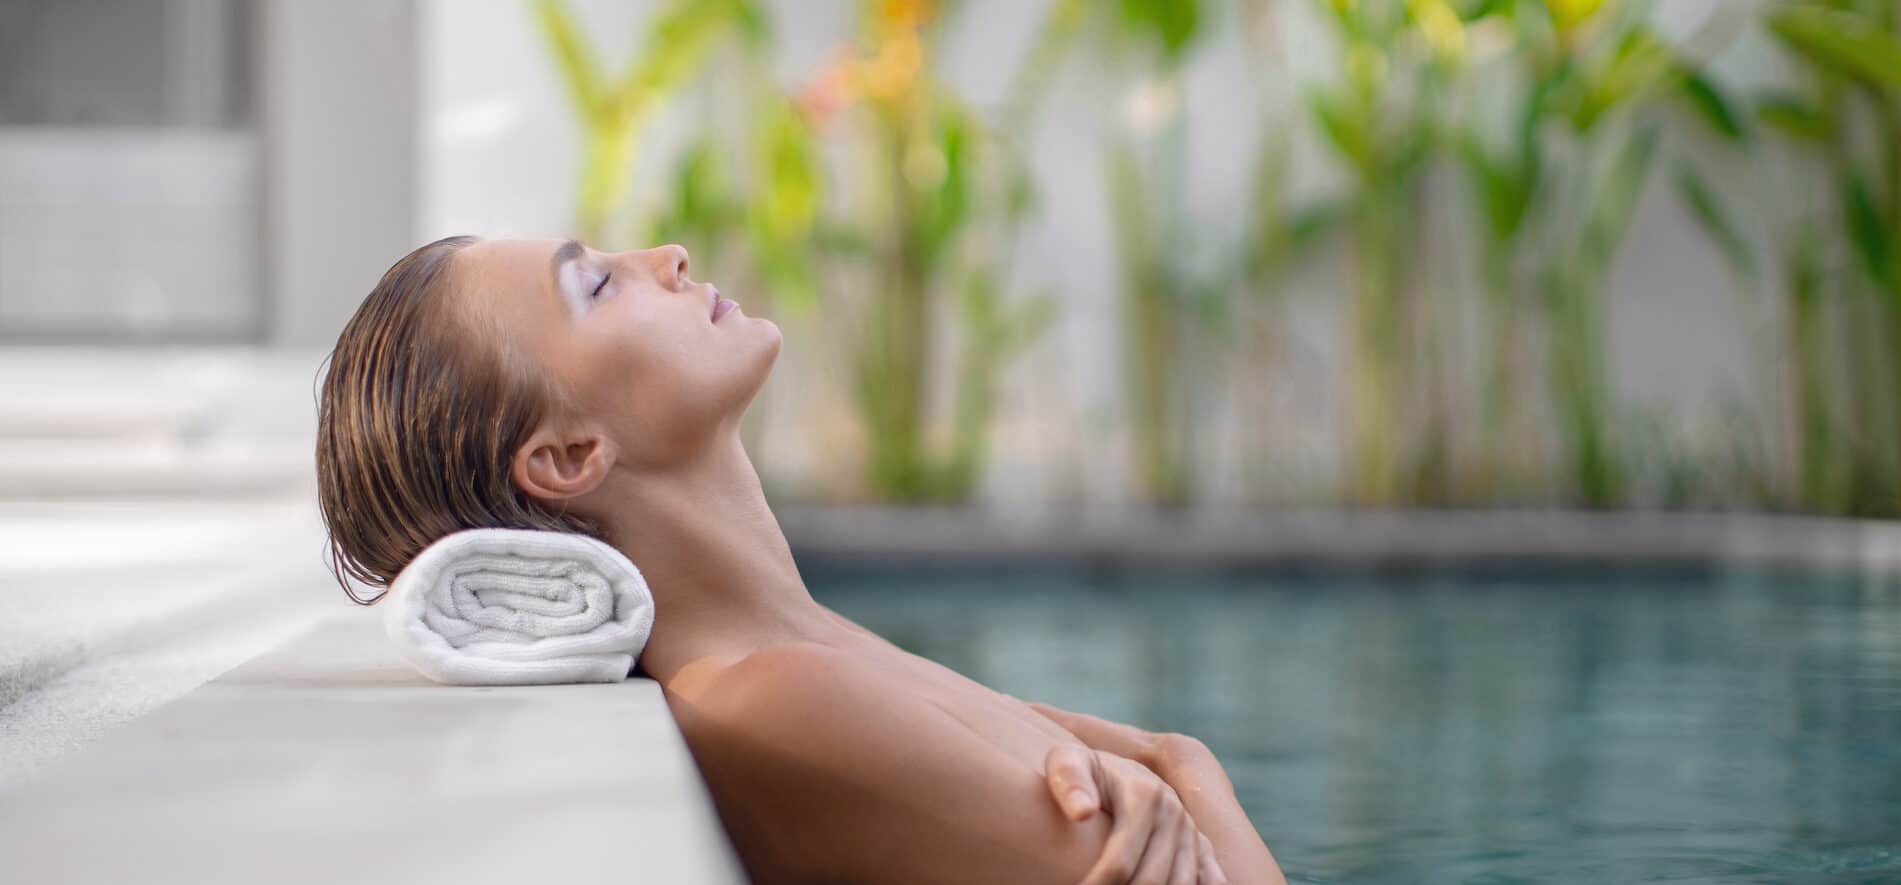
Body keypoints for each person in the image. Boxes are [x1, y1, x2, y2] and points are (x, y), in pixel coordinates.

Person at [314, 235, 1286, 885]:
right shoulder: (773, 697)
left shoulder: (805, 650)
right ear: (568, 457)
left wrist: (1167, 766)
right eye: (597, 284)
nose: (667, 254)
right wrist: (1185, 763)